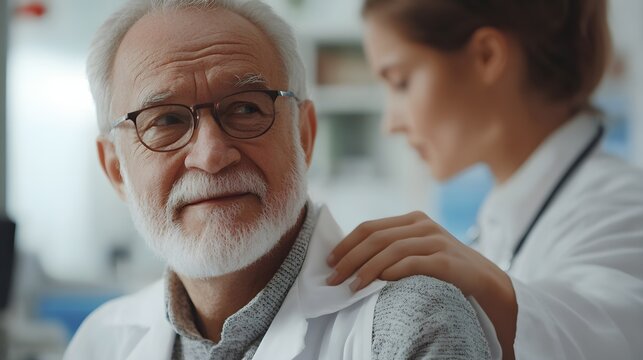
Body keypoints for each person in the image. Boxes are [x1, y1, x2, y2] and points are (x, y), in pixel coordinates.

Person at [63, 0, 493, 359]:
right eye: (167, 120)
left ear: (303, 136)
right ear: (116, 170)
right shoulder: (100, 342)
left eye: (247, 108)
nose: (211, 155)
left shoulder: (409, 328)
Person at [325, 1, 643, 359]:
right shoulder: (503, 215)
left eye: (401, 82)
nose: (391, 123)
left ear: (487, 56)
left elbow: (613, 340)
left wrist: (485, 285)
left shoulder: (626, 207)